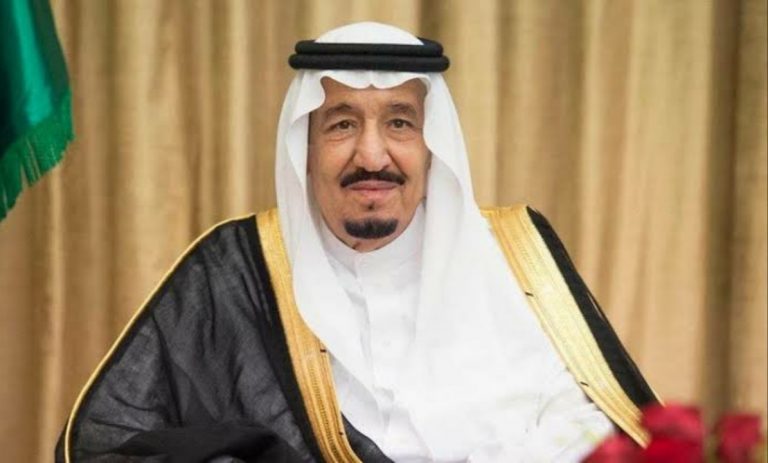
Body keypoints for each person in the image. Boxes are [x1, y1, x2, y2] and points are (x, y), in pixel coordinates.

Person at [56, 22, 658, 463]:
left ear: (432, 144)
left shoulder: (514, 256)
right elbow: (110, 439)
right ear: (305, 146)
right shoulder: (236, 271)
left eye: (399, 123)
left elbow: (599, 425)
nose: (372, 156)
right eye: (342, 124)